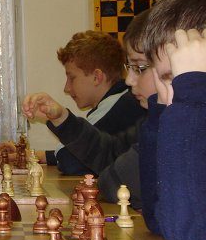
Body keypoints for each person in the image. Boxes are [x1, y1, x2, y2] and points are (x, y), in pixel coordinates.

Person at [22, 11, 156, 208]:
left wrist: (107, 180)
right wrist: (61, 118)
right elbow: (109, 153)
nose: (129, 80)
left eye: (140, 68)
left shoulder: (129, 104)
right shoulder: (149, 117)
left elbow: (77, 163)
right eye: (130, 67)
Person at [139, 0, 206, 240]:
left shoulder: (191, 104)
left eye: (175, 78)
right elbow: (158, 219)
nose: (166, 98)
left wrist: (191, 95)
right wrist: (159, 114)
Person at [42, 30, 145, 174]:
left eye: (72, 78)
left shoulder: (124, 105)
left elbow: (72, 161)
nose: (66, 88)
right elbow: (99, 149)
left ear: (97, 77)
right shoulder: (116, 101)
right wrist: (44, 156)